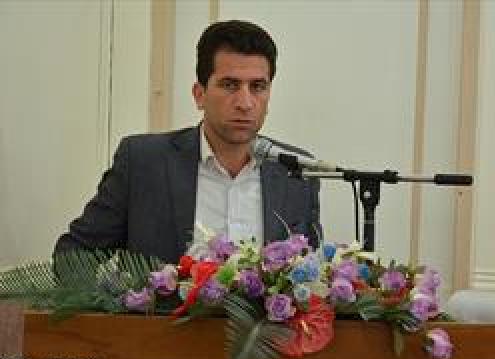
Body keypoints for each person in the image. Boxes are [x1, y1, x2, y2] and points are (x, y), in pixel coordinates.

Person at [54, 20, 321, 264]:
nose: (245, 103)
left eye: (258, 87)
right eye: (230, 85)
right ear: (199, 94)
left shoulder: (296, 172)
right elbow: (73, 256)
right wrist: (116, 295)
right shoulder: (143, 162)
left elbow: (313, 274)